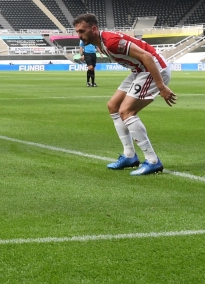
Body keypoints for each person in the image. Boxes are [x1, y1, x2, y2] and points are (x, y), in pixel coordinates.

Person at [72, 13, 177, 176]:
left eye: (82, 31)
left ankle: (152, 161)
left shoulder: (111, 42)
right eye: (77, 32)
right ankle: (129, 156)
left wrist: (161, 86)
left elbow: (146, 56)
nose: (79, 35)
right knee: (113, 106)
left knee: (126, 111)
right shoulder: (100, 43)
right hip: (139, 70)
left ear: (93, 29)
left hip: (154, 69)